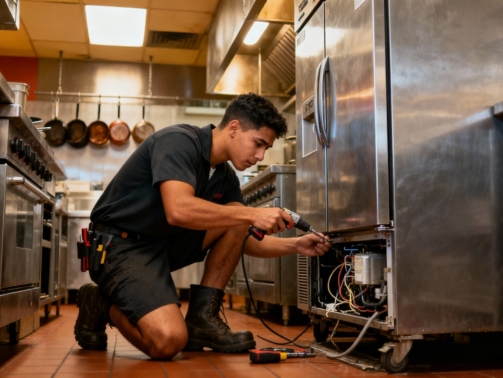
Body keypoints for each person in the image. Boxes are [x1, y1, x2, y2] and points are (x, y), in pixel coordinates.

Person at [74, 93, 331, 359]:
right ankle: (99, 301)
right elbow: (178, 210)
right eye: (258, 144)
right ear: (234, 128)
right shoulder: (178, 142)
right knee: (168, 341)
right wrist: (251, 215)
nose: (260, 155)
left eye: (266, 148)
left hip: (159, 245)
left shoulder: (225, 177)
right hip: (119, 245)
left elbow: (241, 235)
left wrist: (296, 245)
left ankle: (202, 318)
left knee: (236, 215)